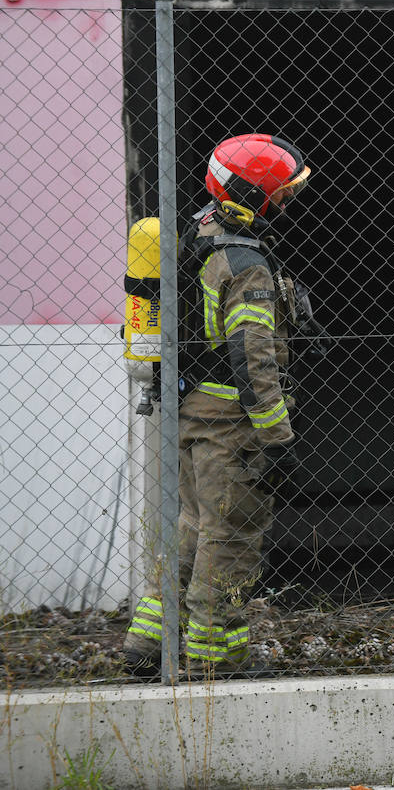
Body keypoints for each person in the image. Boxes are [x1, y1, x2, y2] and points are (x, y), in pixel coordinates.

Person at [123, 133, 317, 680]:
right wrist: (278, 438)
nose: (285, 204)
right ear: (251, 196)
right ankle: (217, 656)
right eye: (280, 194)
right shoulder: (246, 264)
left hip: (192, 411)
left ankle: (149, 642)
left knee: (193, 524)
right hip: (234, 424)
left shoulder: (197, 235)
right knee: (230, 537)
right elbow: (253, 359)